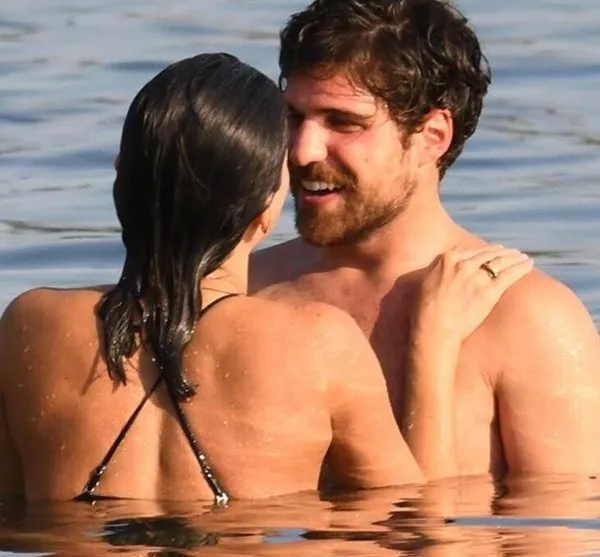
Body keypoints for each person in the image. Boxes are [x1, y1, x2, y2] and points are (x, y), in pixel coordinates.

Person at [0, 52, 438, 503]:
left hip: (75, 552)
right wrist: (432, 351)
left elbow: (9, 508)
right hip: (247, 546)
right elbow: (407, 515)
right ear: (266, 207)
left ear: (120, 181)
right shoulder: (320, 342)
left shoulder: (28, 324)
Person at [251, 0, 600, 480]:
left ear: (433, 135)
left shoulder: (528, 320)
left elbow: (562, 523)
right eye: (293, 117)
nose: (303, 150)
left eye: (343, 122)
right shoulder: (244, 288)